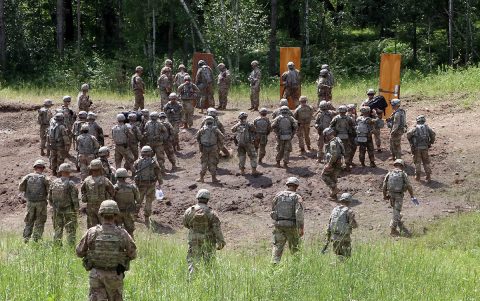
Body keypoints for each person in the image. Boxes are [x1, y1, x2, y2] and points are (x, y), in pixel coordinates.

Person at [76, 200, 137, 301]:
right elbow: (133, 254)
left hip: (96, 275)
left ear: (101, 214)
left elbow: (79, 252)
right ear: (116, 214)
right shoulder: (122, 233)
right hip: (115, 276)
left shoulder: (92, 232)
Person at [183, 189, 225, 276]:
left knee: (193, 263)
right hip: (208, 240)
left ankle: (192, 281)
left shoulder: (189, 211)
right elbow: (217, 229)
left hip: (194, 240)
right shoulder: (212, 213)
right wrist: (221, 242)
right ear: (208, 199)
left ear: (197, 197)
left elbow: (186, 224)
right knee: (209, 263)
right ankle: (208, 282)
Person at [270, 177, 304, 264]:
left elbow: (273, 210)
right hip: (291, 226)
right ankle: (296, 267)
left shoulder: (278, 195)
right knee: (295, 248)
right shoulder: (297, 197)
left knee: (277, 246)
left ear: (287, 185)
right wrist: (301, 228)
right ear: (296, 186)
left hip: (278, 225)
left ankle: (274, 266)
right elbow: (299, 214)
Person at [18, 159, 50, 243]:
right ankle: (36, 240)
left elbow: (20, 188)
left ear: (34, 167)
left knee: (29, 221)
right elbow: (50, 190)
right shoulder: (45, 178)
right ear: (43, 168)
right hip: (41, 203)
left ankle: (26, 239)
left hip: (30, 203)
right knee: (40, 222)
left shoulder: (27, 177)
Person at [383, 159, 416, 237]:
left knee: (395, 209)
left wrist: (385, 196)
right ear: (402, 166)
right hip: (399, 195)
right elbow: (409, 186)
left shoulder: (389, 173)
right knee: (397, 211)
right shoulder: (403, 174)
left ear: (395, 165)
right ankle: (393, 230)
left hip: (391, 195)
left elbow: (384, 186)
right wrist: (412, 196)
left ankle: (398, 220)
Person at [48, 163, 79, 246]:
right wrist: (76, 210)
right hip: (69, 210)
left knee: (57, 230)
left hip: (57, 210)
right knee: (71, 231)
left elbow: (50, 198)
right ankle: (71, 248)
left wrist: (54, 206)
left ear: (60, 171)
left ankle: (57, 248)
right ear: (69, 172)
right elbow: (75, 199)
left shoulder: (53, 183)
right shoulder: (71, 183)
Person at [132, 146, 163, 227]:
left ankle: (134, 215)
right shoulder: (153, 162)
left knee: (138, 200)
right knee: (149, 201)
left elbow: (134, 170)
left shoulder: (137, 161)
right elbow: (158, 172)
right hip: (151, 185)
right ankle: (146, 217)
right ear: (150, 152)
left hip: (140, 185)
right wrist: (160, 182)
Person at [81, 159, 115, 228]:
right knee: (104, 227)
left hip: (90, 208)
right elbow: (112, 192)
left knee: (91, 228)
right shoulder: (105, 180)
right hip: (103, 207)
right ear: (101, 168)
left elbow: (82, 191)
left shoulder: (87, 180)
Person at [326, 193, 357, 259]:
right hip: (344, 238)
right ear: (349, 201)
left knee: (337, 256)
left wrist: (328, 238)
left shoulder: (334, 210)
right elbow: (354, 225)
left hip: (334, 237)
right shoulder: (349, 211)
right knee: (346, 257)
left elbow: (329, 224)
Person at [407, 115, 436, 182]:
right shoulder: (427, 127)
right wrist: (431, 142)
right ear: (424, 121)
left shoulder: (415, 128)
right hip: (425, 147)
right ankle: (428, 176)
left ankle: (418, 176)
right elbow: (433, 134)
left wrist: (411, 142)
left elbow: (408, 135)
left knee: (417, 162)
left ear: (417, 121)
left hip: (416, 148)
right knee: (426, 162)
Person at [195, 116, 224, 183]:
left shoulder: (202, 129)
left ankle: (201, 178)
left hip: (204, 148)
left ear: (205, 121)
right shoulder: (215, 129)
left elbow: (197, 138)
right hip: (213, 148)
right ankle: (214, 178)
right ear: (213, 122)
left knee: (204, 162)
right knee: (213, 162)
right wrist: (219, 146)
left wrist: (201, 144)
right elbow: (222, 137)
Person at [113, 168, 140, 237]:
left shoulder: (113, 188)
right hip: (129, 212)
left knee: (116, 232)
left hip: (117, 213)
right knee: (130, 232)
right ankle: (131, 246)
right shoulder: (132, 187)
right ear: (125, 177)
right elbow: (138, 199)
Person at [330, 105, 356, 171]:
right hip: (346, 137)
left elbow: (330, 126)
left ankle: (338, 166)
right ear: (345, 111)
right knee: (347, 151)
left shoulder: (336, 118)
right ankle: (347, 165)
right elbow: (353, 126)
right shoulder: (349, 118)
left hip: (338, 136)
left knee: (338, 151)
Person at [321, 127, 344, 201]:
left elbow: (334, 154)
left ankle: (335, 188)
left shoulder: (332, 143)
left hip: (333, 163)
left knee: (324, 176)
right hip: (338, 162)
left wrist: (329, 164)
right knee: (333, 178)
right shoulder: (337, 139)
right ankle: (334, 196)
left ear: (327, 135)